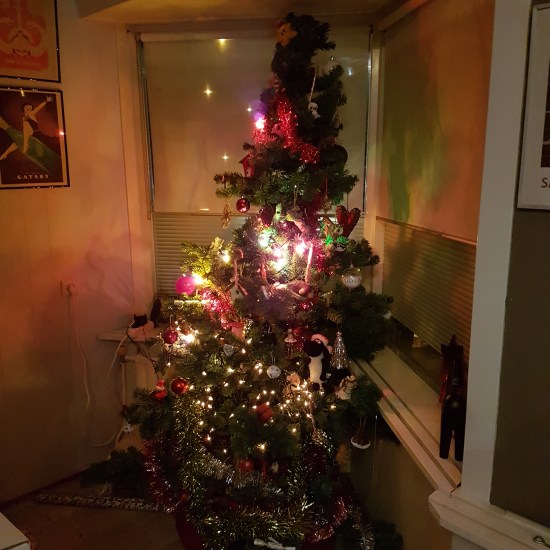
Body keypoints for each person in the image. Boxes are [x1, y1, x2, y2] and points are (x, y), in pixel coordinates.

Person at [0, 96, 61, 176]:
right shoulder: (24, 118)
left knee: (22, 136)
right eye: (26, 107)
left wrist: (46, 101)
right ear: (24, 109)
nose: (28, 109)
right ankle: (5, 154)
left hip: (38, 135)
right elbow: (26, 131)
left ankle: (22, 145)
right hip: (31, 135)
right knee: (18, 140)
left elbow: (38, 108)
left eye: (30, 108)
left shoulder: (31, 114)